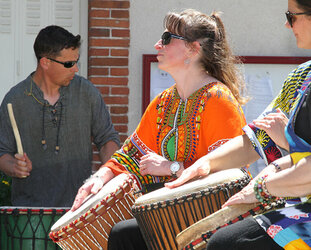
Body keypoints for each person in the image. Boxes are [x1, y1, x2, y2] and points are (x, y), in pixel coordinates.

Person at [71, 9, 248, 250]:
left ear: (193, 50)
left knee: (124, 235)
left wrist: (172, 168)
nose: (157, 45)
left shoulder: (219, 100)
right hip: (172, 214)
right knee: (122, 235)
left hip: (210, 223)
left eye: (166, 39)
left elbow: (231, 175)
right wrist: (99, 178)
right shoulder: (164, 101)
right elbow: (131, 155)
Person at [167, 0, 311, 249]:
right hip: (298, 198)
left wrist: (263, 187)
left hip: (302, 206)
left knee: (228, 242)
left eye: (292, 16)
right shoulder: (302, 76)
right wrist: (205, 164)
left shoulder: (216, 95)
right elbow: (257, 139)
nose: (286, 24)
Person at [0, 25, 120, 207]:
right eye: (68, 64)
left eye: (76, 61)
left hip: (79, 209)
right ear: (45, 62)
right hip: (30, 215)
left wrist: (110, 174)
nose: (75, 69)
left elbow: (107, 139)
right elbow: (0, 152)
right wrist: (14, 166)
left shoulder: (86, 92)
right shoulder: (15, 99)